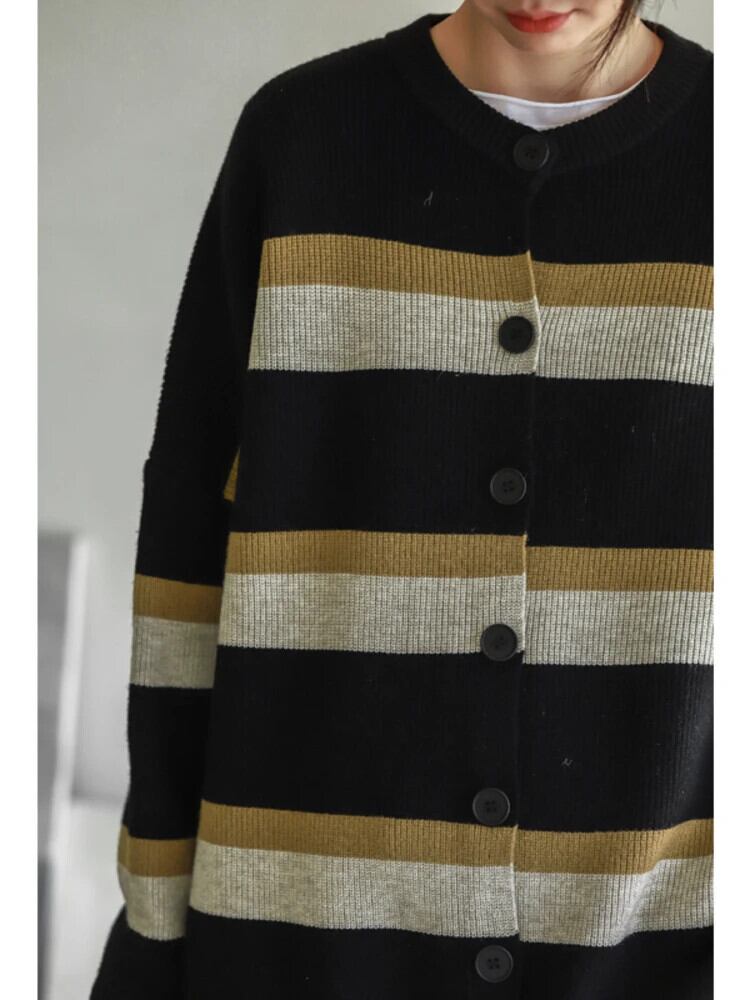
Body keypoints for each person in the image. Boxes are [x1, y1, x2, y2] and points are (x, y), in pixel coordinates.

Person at [90, 2, 713, 998]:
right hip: (300, 942)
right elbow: (187, 546)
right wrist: (153, 924)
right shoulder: (302, 137)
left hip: (659, 941)